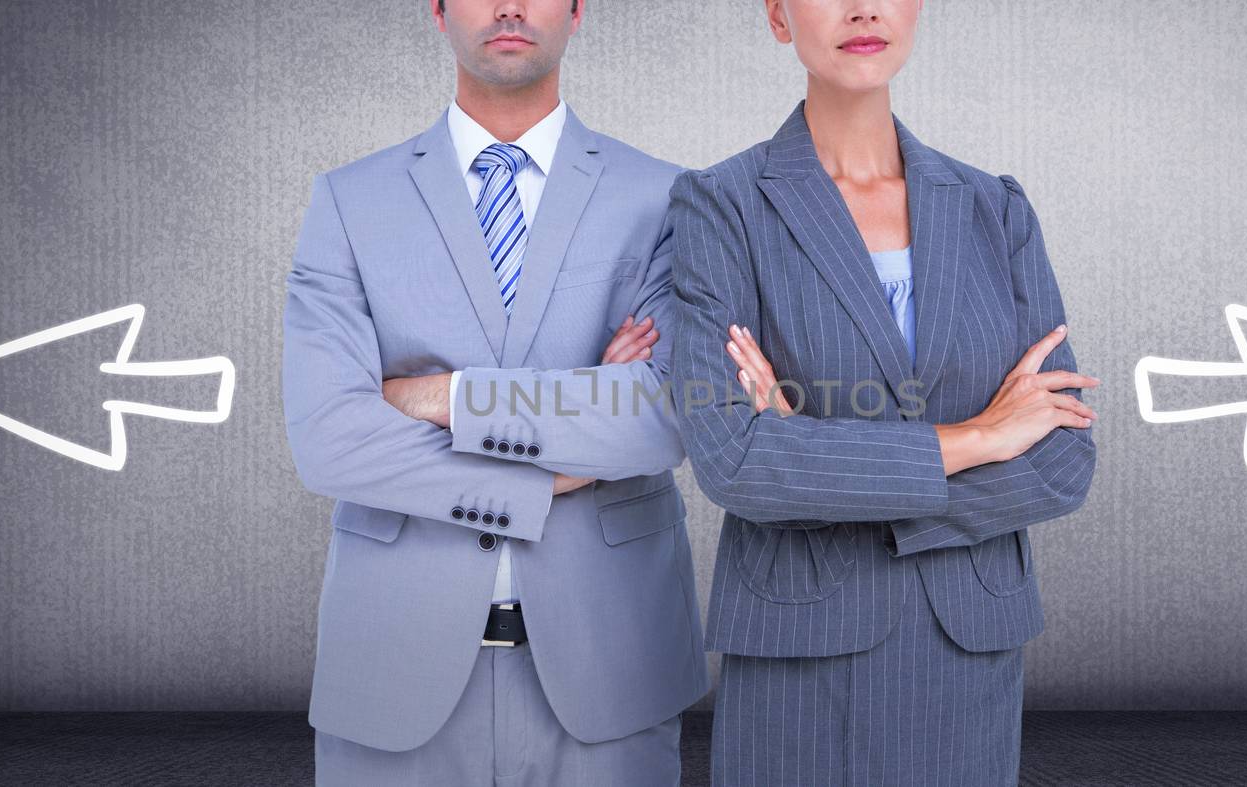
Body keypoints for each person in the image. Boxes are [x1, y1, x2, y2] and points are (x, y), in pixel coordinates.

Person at [666, 1, 1099, 784]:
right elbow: (735, 460)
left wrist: (820, 458)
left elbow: (1063, 458)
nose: (862, 7)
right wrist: (978, 438)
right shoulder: (722, 205)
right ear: (777, 15)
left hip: (967, 649)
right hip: (800, 659)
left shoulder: (993, 208)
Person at [280, 0, 706, 783]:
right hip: (391, 668)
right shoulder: (349, 202)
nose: (509, 6)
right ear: (436, 9)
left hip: (612, 669)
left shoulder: (665, 199)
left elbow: (662, 413)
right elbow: (331, 438)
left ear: (579, 9)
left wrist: (439, 395)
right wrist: (561, 452)